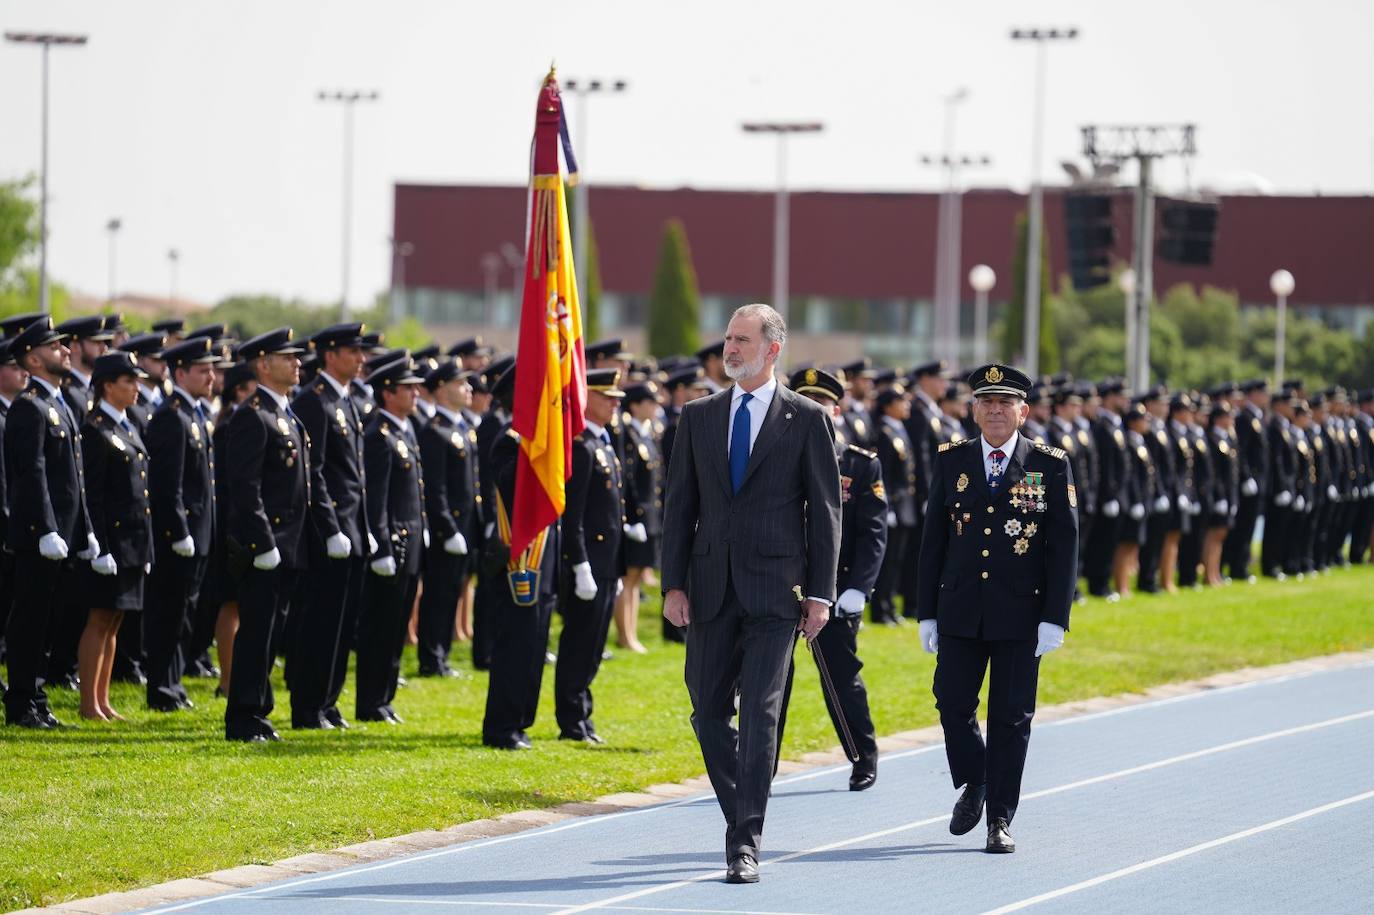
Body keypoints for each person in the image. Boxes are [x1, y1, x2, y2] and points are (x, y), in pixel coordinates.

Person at [661, 303, 841, 884]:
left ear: (772, 348)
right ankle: (742, 811)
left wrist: (820, 593)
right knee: (708, 714)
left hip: (775, 594)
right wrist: (673, 584)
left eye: (741, 340)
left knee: (761, 716)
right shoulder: (699, 416)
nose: (729, 349)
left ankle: (744, 842)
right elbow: (679, 508)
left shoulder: (807, 418)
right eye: (727, 339)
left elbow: (825, 513)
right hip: (710, 589)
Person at [915, 362, 1077, 855]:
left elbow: (1064, 545)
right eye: (986, 402)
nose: (995, 410)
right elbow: (933, 541)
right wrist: (926, 611)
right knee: (951, 702)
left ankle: (1000, 818)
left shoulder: (1049, 464)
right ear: (973, 410)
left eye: (1005, 403)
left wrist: (1055, 616)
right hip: (961, 608)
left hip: (1020, 615)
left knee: (1011, 718)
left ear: (1023, 411)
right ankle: (976, 777)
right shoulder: (951, 460)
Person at [775, 366, 887, 791]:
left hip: (836, 591)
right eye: (806, 402)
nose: (814, 411)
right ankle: (759, 767)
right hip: (782, 585)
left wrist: (859, 587)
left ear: (836, 410)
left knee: (841, 678)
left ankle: (863, 757)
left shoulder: (859, 464)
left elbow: (874, 533)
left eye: (822, 404)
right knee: (770, 684)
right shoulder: (777, 455)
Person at [3, 317, 99, 728]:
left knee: (48, 622)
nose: (64, 350)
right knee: (29, 621)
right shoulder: (29, 406)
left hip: (63, 533)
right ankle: (23, 702)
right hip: (38, 536)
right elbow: (32, 473)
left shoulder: (57, 404)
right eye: (53, 345)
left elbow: (75, 480)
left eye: (63, 344)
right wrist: (44, 528)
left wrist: (88, 530)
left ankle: (37, 698)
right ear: (32, 358)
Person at [223, 328, 313, 742]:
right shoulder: (252, 415)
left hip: (289, 543)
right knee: (257, 631)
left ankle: (260, 710)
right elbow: (245, 486)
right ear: (262, 364)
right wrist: (262, 542)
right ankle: (244, 716)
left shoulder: (283, 412)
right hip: (266, 545)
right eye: (286, 357)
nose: (297, 363)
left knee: (271, 634)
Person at [289, 323, 371, 729]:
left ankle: (328, 701)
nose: (361, 359)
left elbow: (355, 474)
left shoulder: (347, 401)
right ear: (330, 355)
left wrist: (361, 525)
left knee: (343, 622)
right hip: (329, 531)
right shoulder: (314, 402)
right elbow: (314, 472)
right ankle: (307, 706)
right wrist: (331, 525)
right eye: (352, 351)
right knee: (319, 622)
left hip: (352, 528)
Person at [481, 362, 561, 750]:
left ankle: (521, 721)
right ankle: (501, 727)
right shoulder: (508, 441)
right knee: (514, 647)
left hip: (542, 559)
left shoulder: (540, 443)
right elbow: (518, 495)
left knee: (534, 645)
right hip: (519, 559)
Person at [76, 352, 154, 721]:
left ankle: (103, 699)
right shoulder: (94, 429)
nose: (137, 387)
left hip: (132, 542)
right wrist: (100, 546)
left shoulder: (126, 424)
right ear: (108, 385)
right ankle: (88, 703)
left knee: (115, 621)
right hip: (112, 541)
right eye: (129, 381)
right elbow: (93, 495)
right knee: (99, 618)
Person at [144, 336, 220, 712]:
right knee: (169, 613)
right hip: (180, 533)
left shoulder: (194, 414)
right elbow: (166, 484)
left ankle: (173, 684)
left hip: (199, 531)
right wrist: (178, 531)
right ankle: (161, 687)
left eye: (212, 369)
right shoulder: (172, 417)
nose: (211, 376)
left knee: (185, 614)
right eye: (203, 370)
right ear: (181, 372)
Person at [556, 368, 630, 743]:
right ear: (589, 399)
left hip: (606, 562)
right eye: (608, 397)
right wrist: (580, 562)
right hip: (589, 563)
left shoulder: (603, 442)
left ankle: (583, 716)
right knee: (579, 643)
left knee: (594, 646)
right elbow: (575, 513)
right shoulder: (582, 446)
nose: (616, 403)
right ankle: (570, 720)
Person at [355, 357, 427, 723]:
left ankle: (384, 697)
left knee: (396, 625)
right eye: (408, 387)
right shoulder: (378, 435)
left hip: (410, 539)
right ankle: (370, 701)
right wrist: (380, 546)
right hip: (391, 544)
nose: (416, 392)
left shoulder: (403, 429)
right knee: (380, 627)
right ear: (388, 392)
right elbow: (376, 498)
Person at [416, 359, 478, 679]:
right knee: (439, 594)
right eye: (460, 384)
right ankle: (431, 657)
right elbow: (435, 488)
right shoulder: (435, 431)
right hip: (447, 528)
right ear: (441, 389)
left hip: (465, 525)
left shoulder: (461, 428)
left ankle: (442, 655)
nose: (468, 389)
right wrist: (447, 528)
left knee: (453, 591)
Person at [616, 381, 663, 654]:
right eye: (649, 402)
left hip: (650, 516)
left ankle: (631, 632)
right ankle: (625, 634)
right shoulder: (628, 435)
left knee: (634, 580)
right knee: (629, 579)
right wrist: (632, 517)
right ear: (635, 405)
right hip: (637, 517)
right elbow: (629, 480)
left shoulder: (645, 434)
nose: (655, 406)